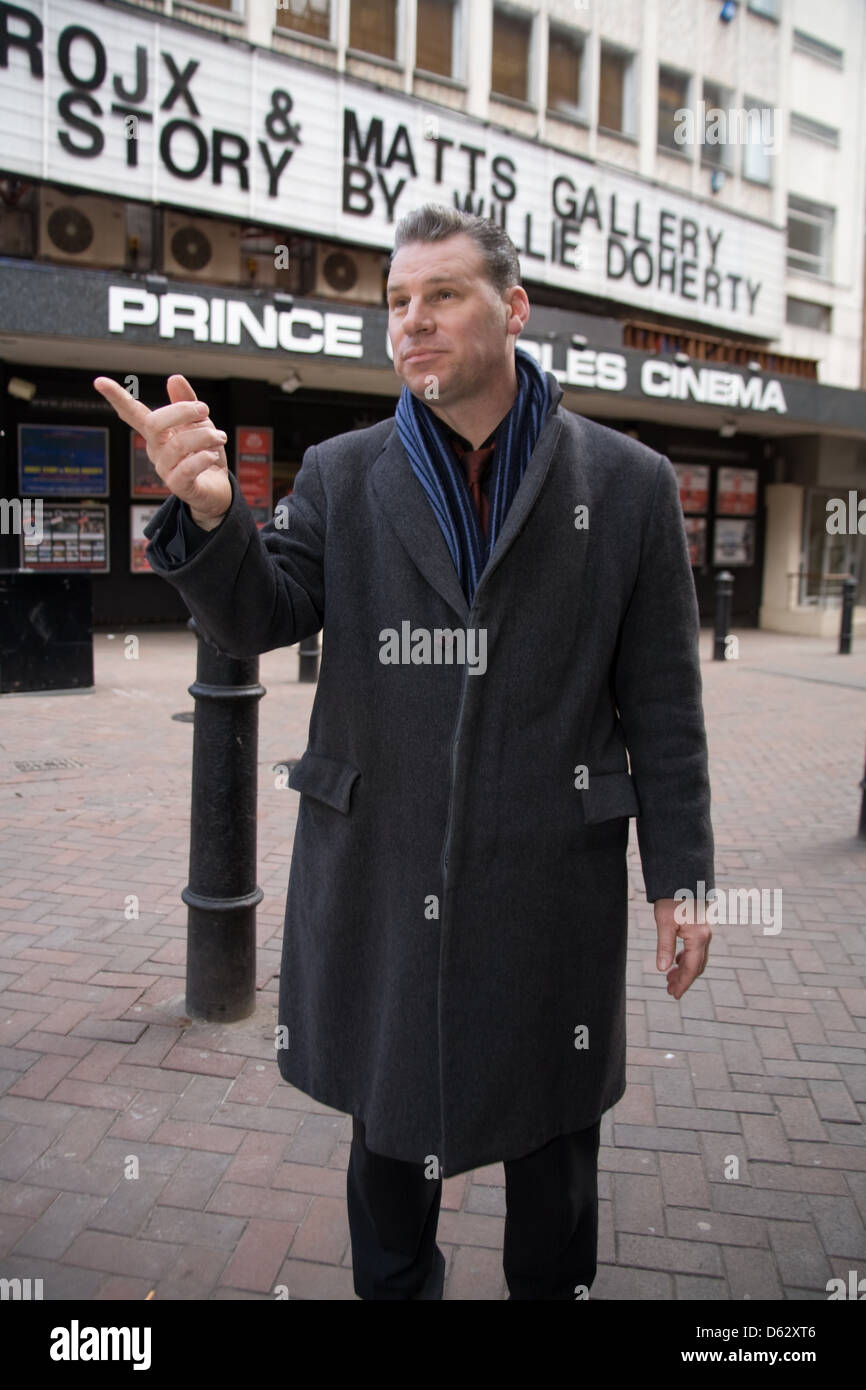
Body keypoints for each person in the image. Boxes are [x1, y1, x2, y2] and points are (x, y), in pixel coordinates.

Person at [94, 204, 714, 1301]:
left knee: (556, 1168)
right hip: (382, 873)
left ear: (513, 310)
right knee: (387, 1165)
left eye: (442, 295)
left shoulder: (625, 487)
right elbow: (260, 612)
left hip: (547, 887)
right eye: (395, 301)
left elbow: (660, 702)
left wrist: (682, 879)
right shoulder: (343, 473)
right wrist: (205, 512)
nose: (411, 321)